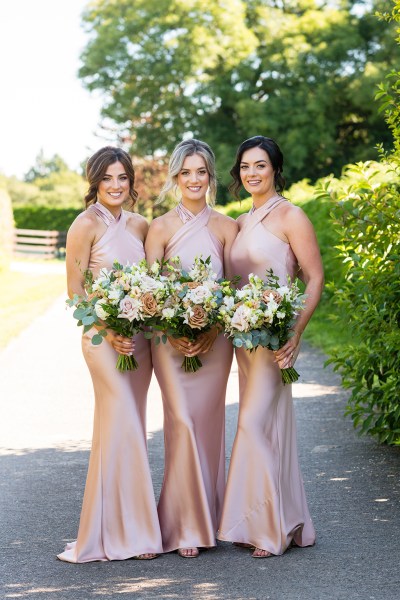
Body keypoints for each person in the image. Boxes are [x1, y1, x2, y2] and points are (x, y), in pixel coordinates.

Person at [217, 136, 324, 558]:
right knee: (266, 425)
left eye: (260, 165)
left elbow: (314, 279)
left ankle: (270, 528)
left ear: (275, 170)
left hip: (276, 339)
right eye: (245, 167)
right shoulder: (240, 222)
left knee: (253, 425)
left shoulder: (292, 216)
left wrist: (296, 332)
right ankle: (283, 518)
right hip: (244, 341)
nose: (251, 173)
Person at [58, 146, 162, 562]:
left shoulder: (141, 225)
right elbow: (75, 292)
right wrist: (109, 330)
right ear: (94, 182)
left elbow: (154, 281)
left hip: (140, 340)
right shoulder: (83, 226)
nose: (116, 185)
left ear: (131, 182)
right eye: (107, 178)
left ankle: (121, 525)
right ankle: (133, 534)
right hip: (102, 343)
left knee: (126, 427)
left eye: (122, 178)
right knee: (124, 424)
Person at [145, 139, 238, 558]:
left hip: (214, 341)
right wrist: (173, 325)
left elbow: (235, 290)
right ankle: (184, 523)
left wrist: (212, 328)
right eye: (186, 172)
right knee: (181, 421)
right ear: (176, 177)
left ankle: (209, 516)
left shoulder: (226, 226)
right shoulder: (159, 227)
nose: (194, 179)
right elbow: (149, 287)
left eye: (201, 172)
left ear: (210, 176)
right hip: (168, 340)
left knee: (207, 424)